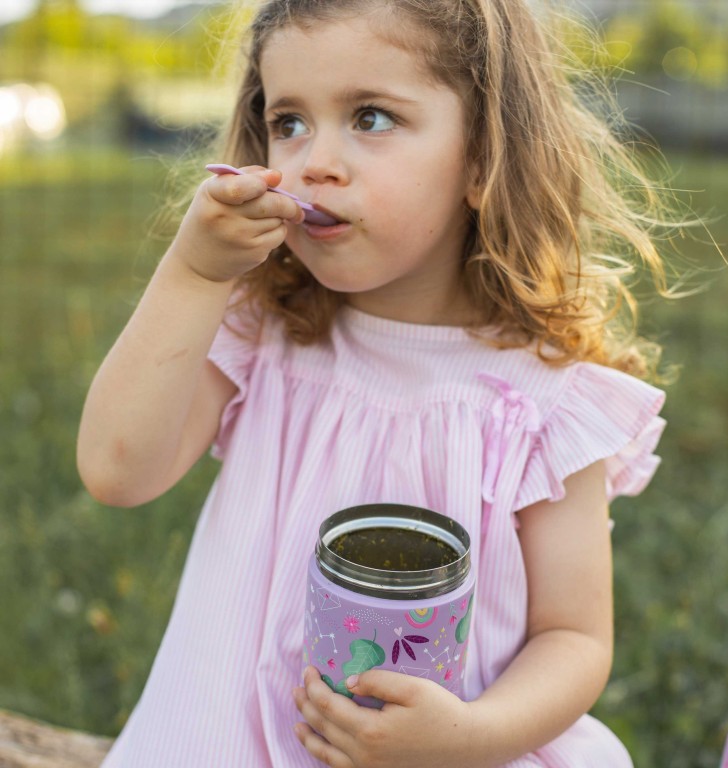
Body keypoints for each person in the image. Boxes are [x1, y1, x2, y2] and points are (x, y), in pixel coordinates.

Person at [77, 0, 676, 765]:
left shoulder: (540, 406)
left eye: (370, 117)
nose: (312, 161)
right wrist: (194, 273)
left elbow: (575, 637)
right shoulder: (265, 335)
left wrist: (469, 736)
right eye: (288, 121)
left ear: (483, 157)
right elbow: (115, 470)